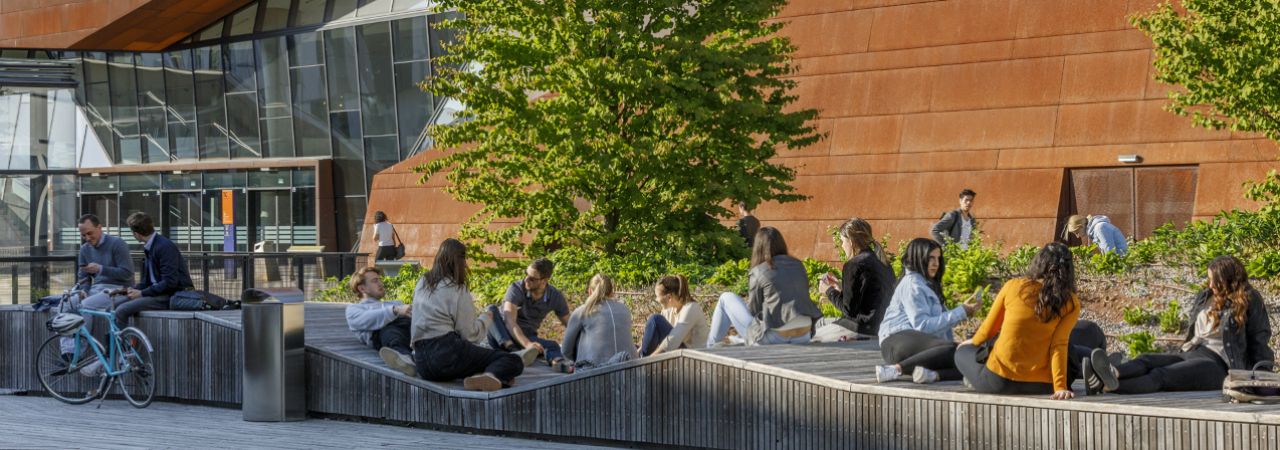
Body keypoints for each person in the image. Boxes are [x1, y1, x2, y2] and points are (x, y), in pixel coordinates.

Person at [1086, 255, 1274, 395]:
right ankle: (1112, 372)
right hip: (1194, 352)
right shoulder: (1206, 297)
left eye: (1213, 280)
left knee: (1161, 375)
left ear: (1227, 280)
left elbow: (1259, 338)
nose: (1209, 285)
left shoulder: (1248, 299)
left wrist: (1261, 377)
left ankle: (1105, 386)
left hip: (1220, 366)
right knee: (1146, 359)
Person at [954, 243, 1082, 400]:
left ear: (1038, 262)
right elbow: (1059, 345)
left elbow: (989, 330)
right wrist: (1060, 387)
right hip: (1042, 385)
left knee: (961, 352)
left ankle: (973, 378)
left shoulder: (1013, 286)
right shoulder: (1071, 302)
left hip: (999, 381)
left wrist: (972, 342)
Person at [410, 238, 523, 391]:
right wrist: (486, 318)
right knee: (512, 360)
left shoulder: (422, 282)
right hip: (447, 352)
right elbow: (470, 334)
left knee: (473, 361)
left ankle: (485, 376)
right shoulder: (456, 287)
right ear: (461, 261)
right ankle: (491, 375)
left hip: (423, 362)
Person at [875, 238, 979, 384]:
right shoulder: (913, 284)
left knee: (971, 357)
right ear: (918, 258)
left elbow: (937, 328)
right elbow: (922, 326)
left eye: (938, 258)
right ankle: (895, 370)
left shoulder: (927, 284)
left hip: (920, 348)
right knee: (953, 350)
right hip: (897, 342)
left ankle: (932, 375)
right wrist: (961, 312)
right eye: (930, 258)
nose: (936, 263)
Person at [706, 227, 823, 347]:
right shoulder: (798, 265)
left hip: (775, 338)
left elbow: (754, 311)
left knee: (726, 298)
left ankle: (709, 348)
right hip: (804, 335)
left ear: (758, 247)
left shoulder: (758, 271)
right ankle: (735, 341)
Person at [60, 214, 134, 356]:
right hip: (96, 289)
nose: (87, 238)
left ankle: (79, 351)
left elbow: (128, 273)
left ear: (99, 228)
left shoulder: (117, 244)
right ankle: (68, 351)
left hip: (119, 289)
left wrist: (101, 269)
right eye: (83, 235)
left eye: (90, 233)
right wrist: (84, 290)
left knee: (86, 305)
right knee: (66, 303)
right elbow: (83, 276)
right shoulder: (84, 249)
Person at [813, 218, 897, 342]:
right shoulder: (883, 263)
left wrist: (828, 290)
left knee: (812, 336)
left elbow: (849, 310)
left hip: (861, 328)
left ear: (851, 241)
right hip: (881, 327)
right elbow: (870, 296)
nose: (842, 246)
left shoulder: (854, 264)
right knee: (820, 323)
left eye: (842, 241)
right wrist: (841, 288)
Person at [487, 258, 572, 371]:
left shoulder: (555, 296)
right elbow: (509, 321)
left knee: (553, 345)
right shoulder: (516, 288)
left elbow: (570, 324)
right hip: (502, 336)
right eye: (525, 274)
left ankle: (558, 363)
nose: (526, 279)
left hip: (527, 337)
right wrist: (527, 344)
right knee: (490, 310)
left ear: (544, 281)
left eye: (532, 278)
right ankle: (514, 351)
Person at [118, 212, 193, 330]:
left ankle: (119, 347)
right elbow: (147, 281)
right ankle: (114, 343)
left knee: (121, 310)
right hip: (158, 293)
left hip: (171, 295)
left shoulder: (164, 247)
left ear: (136, 234)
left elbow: (170, 282)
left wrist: (142, 293)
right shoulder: (151, 246)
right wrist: (133, 289)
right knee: (115, 304)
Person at [344, 266, 415, 377]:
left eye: (380, 279)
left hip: (410, 331)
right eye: (375, 281)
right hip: (385, 334)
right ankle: (405, 359)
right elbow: (369, 319)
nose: (380, 283)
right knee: (388, 330)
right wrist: (395, 310)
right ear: (362, 289)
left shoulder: (394, 302)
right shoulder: (354, 310)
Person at [561, 274, 637, 370]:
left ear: (589, 291)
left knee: (580, 337)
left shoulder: (583, 311)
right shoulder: (624, 309)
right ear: (611, 292)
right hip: (630, 368)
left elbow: (565, 351)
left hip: (595, 372)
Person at [639, 275, 709, 356]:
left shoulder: (691, 308)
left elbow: (672, 340)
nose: (656, 300)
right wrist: (637, 353)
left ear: (669, 297)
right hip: (680, 353)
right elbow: (652, 338)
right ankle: (641, 359)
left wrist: (647, 361)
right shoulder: (668, 310)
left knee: (655, 319)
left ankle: (643, 364)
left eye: (657, 296)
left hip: (694, 357)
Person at [1063, 214, 1128, 256]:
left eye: (1077, 232)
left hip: (1123, 264)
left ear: (1081, 226)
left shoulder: (1099, 228)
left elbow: (1110, 252)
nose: (1077, 236)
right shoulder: (1096, 229)